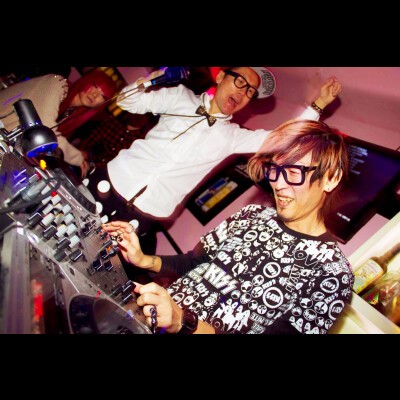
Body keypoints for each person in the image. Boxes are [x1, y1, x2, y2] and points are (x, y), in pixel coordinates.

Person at [102, 119, 354, 334]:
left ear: (330, 178)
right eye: (275, 170)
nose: (278, 184)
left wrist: (183, 322)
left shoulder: (332, 273)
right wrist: (143, 260)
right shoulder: (251, 214)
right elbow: (196, 262)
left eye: (294, 172)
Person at [85, 67, 342, 254]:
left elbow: (280, 139)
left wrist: (318, 106)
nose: (243, 92)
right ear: (220, 77)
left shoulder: (232, 136)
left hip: (142, 216)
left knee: (92, 261)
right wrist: (157, 77)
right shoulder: (179, 96)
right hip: (108, 182)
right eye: (240, 81)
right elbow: (127, 101)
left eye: (250, 91)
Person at [0, 68, 117, 178]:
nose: (94, 95)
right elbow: (46, 128)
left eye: (102, 96)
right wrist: (77, 157)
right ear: (87, 81)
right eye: (95, 86)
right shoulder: (58, 83)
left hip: (8, 144)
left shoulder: (73, 113)